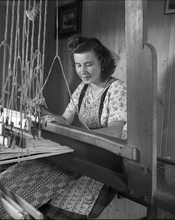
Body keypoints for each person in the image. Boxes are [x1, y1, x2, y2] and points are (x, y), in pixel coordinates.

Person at [39, 34, 127, 219]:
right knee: (47, 195)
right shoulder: (83, 88)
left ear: (102, 62)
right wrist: (41, 111)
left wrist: (76, 135)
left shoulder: (117, 89)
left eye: (88, 64)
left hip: (115, 159)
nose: (83, 71)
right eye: (78, 65)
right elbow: (64, 119)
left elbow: (115, 133)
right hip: (93, 152)